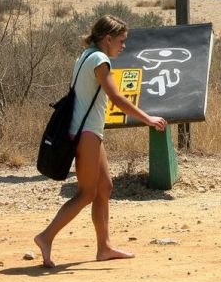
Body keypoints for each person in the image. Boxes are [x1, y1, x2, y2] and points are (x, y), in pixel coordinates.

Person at [34, 15, 167, 268]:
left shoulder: (85, 55)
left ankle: (104, 247)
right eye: (121, 41)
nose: (123, 46)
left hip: (89, 132)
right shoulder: (100, 60)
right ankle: (46, 236)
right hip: (87, 134)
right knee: (87, 193)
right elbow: (116, 98)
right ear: (108, 39)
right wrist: (147, 118)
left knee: (104, 187)